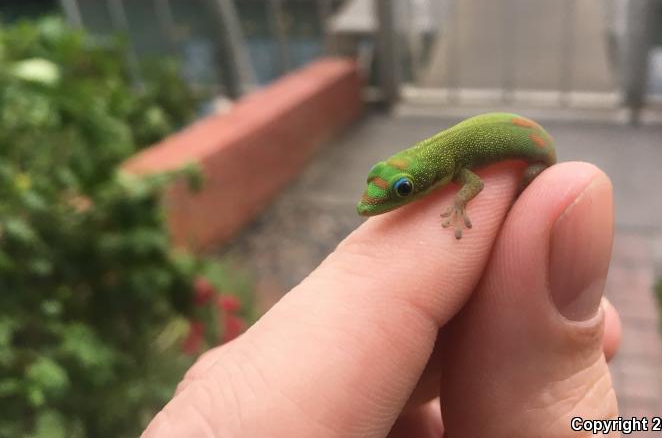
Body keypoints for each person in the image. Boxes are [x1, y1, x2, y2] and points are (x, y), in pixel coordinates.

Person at [143, 161, 621, 437]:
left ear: (437, 176)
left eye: (402, 192)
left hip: (534, 153)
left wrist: (458, 204)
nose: (370, 207)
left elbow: (475, 185)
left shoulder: (460, 170)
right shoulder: (436, 161)